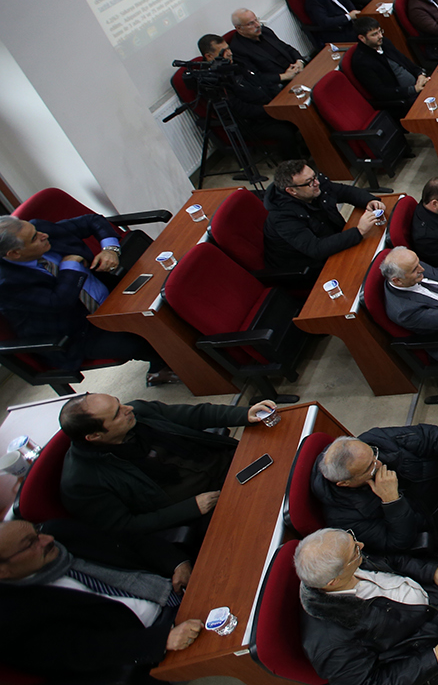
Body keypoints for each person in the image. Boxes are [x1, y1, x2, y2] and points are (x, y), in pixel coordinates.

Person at [0, 518, 203, 682]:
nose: (47, 538)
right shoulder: (11, 618)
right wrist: (161, 640)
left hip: (178, 589)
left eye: (36, 531)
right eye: (31, 543)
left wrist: (177, 563)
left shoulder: (61, 531)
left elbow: (130, 539)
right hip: (155, 642)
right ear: (3, 571)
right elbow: (83, 649)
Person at [58, 394, 277, 535]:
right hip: (207, 505)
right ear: (94, 436)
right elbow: (123, 526)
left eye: (119, 402)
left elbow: (194, 415)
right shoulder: (81, 481)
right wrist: (190, 509)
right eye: (117, 414)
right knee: (267, 523)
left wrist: (243, 414)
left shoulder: (138, 411)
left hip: (231, 462)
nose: (129, 408)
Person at [0, 215, 168, 379]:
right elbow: (59, 302)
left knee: (164, 299)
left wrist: (110, 249)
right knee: (142, 338)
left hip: (110, 295)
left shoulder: (41, 229)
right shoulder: (6, 283)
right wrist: (71, 264)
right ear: (14, 253)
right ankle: (164, 366)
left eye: (36, 230)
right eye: (34, 238)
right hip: (77, 331)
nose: (44, 235)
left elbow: (92, 220)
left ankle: (163, 362)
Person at [294, 528, 438, 685]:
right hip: (427, 642)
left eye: (353, 539)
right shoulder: (332, 644)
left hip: (432, 592)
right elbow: (372, 682)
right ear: (334, 582)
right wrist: (434, 657)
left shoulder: (345, 557)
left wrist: (432, 571)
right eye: (355, 551)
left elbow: (392, 561)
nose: (361, 545)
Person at [312, 423, 438, 554]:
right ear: (345, 483)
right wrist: (392, 503)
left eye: (374, 455)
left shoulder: (374, 440)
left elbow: (429, 435)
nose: (379, 463)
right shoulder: (344, 517)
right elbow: (397, 545)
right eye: (369, 468)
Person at [263, 160, 382, 275]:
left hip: (332, 241)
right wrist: (359, 231)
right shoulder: (282, 217)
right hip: (308, 267)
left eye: (314, 176)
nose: (317, 183)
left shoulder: (314, 185)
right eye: (309, 182)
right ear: (292, 190)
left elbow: (345, 192)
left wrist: (369, 200)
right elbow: (316, 249)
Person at [195, 35, 304, 158]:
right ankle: (294, 162)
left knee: (300, 113)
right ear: (209, 56)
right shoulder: (213, 82)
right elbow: (239, 109)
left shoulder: (238, 63)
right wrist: (270, 110)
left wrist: (279, 100)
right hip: (251, 122)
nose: (230, 53)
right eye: (223, 52)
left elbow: (262, 80)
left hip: (269, 105)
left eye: (228, 48)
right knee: (285, 131)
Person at [349, 16, 427, 114]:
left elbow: (405, 61)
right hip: (406, 98)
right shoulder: (361, 62)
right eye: (374, 34)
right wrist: (413, 89)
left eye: (380, 31)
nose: (380, 36)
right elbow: (381, 93)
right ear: (362, 38)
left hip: (419, 85)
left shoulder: (384, 42)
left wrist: (420, 74)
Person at [229, 8, 304, 83]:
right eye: (251, 23)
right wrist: (285, 76)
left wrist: (299, 62)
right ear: (239, 28)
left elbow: (287, 48)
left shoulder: (265, 31)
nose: (257, 25)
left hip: (297, 70)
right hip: (279, 83)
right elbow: (255, 77)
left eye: (256, 20)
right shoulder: (238, 49)